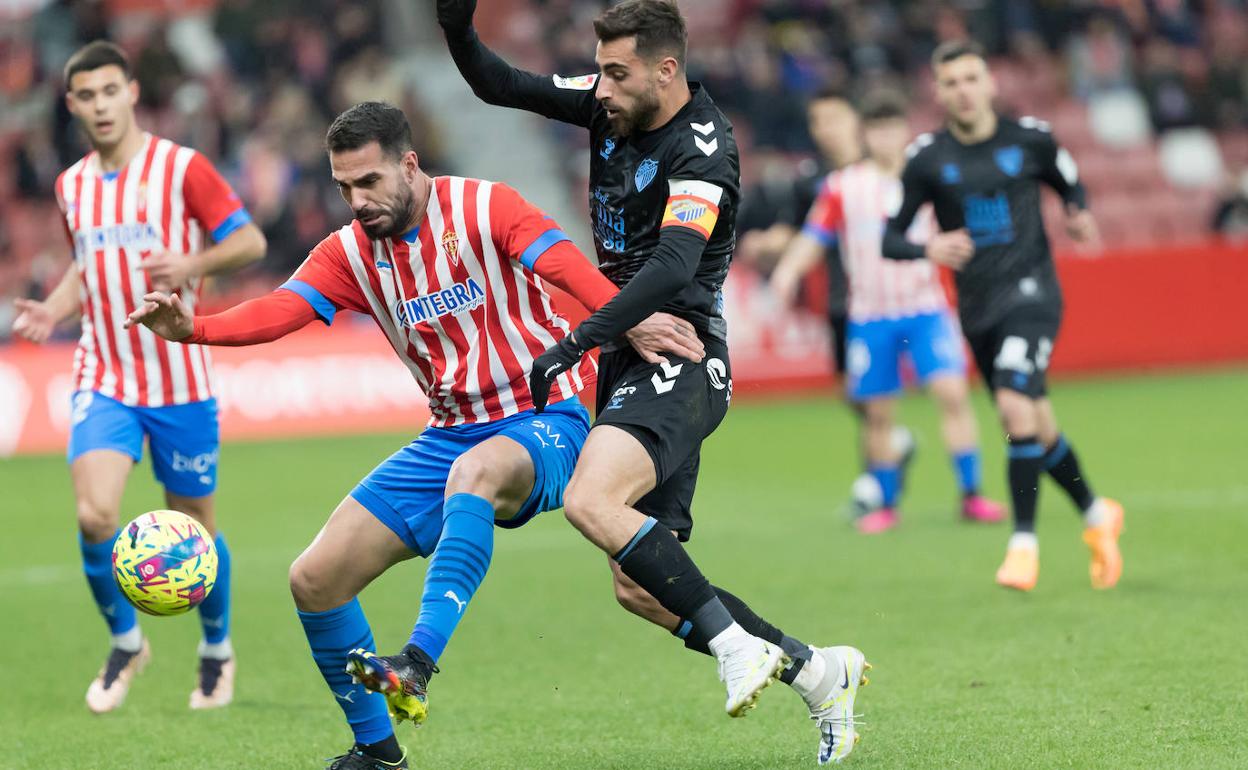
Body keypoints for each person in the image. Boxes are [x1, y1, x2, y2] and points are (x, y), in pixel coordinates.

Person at [128, 100, 700, 770]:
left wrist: (626, 318)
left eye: (368, 182)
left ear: (408, 163)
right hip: (449, 433)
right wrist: (194, 327)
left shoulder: (487, 207)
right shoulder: (349, 252)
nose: (356, 201)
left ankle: (419, 663)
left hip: (545, 416)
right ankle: (378, 754)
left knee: (478, 476)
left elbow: (561, 265)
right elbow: (282, 309)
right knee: (314, 579)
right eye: (343, 187)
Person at [438, 0, 869, 763]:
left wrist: (578, 339)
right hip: (628, 359)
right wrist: (454, 26)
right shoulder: (612, 102)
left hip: (681, 356)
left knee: (588, 500)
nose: (599, 88)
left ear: (665, 70)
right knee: (639, 585)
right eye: (598, 69)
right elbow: (496, 83)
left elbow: (673, 264)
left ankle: (737, 647)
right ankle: (820, 672)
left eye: (615, 71)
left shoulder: (705, 147)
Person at [12, 40, 266, 713]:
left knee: (197, 533)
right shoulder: (70, 186)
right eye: (85, 96)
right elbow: (86, 267)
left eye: (109, 91)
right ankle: (127, 641)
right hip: (106, 373)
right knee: (96, 514)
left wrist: (190, 264)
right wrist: (54, 308)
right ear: (72, 104)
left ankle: (216, 651)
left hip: (181, 377)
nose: (99, 105)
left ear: (130, 93)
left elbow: (250, 242)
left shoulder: (182, 168)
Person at [881, 40, 1124, 591]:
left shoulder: (1030, 139)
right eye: (951, 82)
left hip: (1034, 294)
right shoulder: (927, 158)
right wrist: (929, 249)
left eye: (972, 78)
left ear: (990, 83)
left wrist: (1079, 213)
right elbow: (891, 237)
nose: (963, 91)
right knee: (1034, 423)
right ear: (938, 92)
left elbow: (1069, 180)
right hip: (979, 311)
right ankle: (1095, 513)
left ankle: (1023, 544)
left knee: (1015, 407)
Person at [773, 91, 1005, 533]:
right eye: (876, 131)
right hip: (871, 315)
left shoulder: (929, 181)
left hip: (925, 308)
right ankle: (886, 503)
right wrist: (788, 271)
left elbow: (961, 231)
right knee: (878, 414)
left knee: (952, 396)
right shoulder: (843, 186)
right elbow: (813, 236)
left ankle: (972, 494)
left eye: (891, 129)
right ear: (866, 135)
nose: (884, 138)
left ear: (904, 133)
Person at [739, 88, 918, 518]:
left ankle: (875, 488)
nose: (826, 130)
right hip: (841, 301)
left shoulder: (884, 167)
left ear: (856, 120)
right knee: (853, 394)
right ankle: (894, 448)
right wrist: (767, 245)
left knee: (873, 398)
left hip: (886, 299)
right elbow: (801, 231)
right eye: (818, 122)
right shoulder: (813, 179)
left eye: (834, 118)